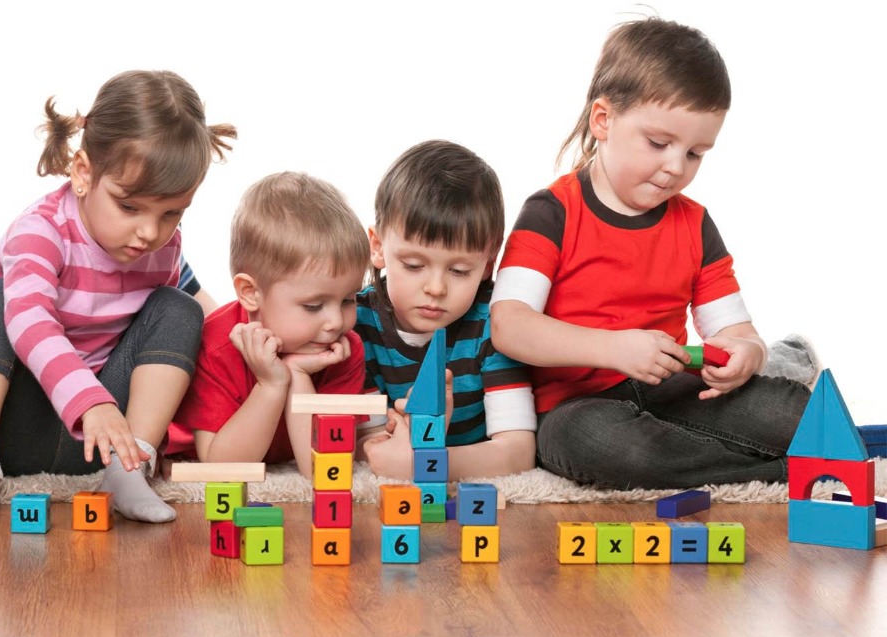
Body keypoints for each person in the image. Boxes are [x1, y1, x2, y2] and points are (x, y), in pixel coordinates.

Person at [490, 18, 816, 490]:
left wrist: (750, 351)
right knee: (614, 450)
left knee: (798, 414)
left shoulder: (695, 224)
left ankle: (723, 449)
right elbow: (509, 325)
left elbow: (736, 331)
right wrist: (614, 348)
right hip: (577, 407)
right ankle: (778, 473)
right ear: (603, 120)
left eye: (695, 153)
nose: (675, 167)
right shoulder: (551, 212)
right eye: (659, 144)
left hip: (672, 388)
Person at [0, 70, 235, 528]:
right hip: (19, 427)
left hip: (109, 439)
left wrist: (256, 340)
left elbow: (206, 312)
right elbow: (31, 324)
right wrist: (88, 401)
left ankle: (130, 471)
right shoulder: (40, 232)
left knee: (179, 308)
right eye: (129, 206)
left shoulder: (162, 249)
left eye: (171, 214)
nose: (149, 232)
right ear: (83, 173)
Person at [356, 140, 536, 480]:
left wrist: (429, 463)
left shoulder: (494, 322)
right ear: (378, 247)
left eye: (459, 271)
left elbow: (519, 451)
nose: (436, 288)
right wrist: (406, 444)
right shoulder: (356, 324)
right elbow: (369, 446)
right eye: (413, 265)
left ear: (488, 263)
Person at [170, 172, 368, 479]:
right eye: (314, 306)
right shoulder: (214, 346)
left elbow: (324, 470)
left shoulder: (343, 349)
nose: (336, 322)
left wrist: (297, 374)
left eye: (348, 300)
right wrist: (271, 385)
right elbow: (221, 468)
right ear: (251, 293)